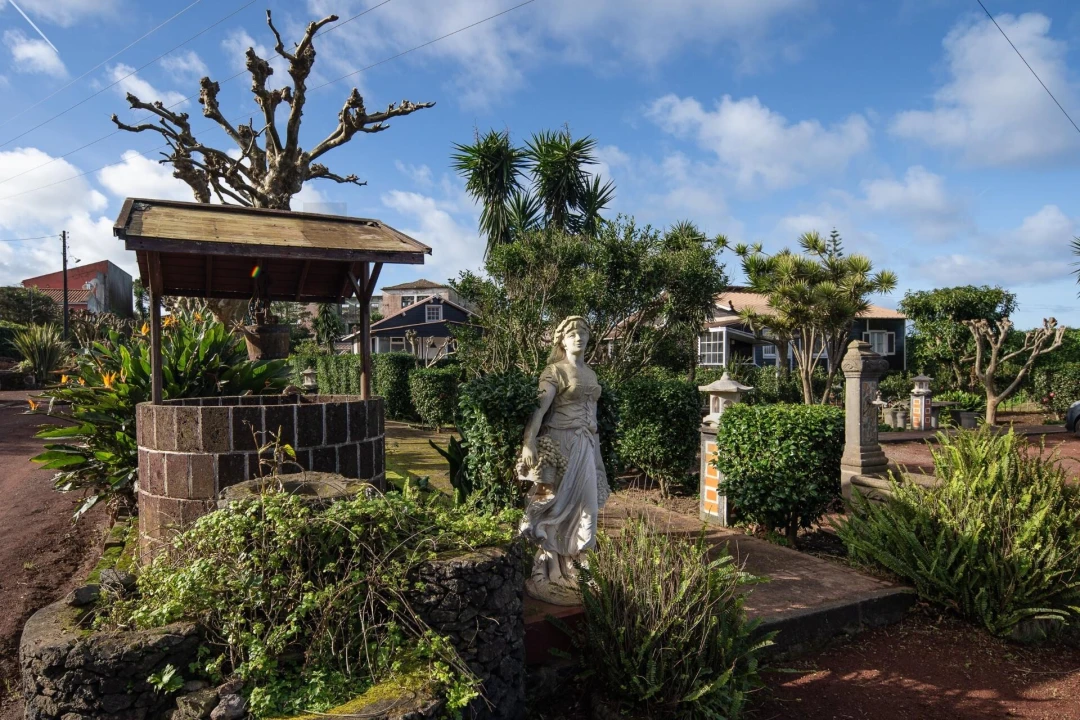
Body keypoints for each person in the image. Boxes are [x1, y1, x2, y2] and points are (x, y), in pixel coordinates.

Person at [518, 316, 610, 605]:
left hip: (587, 444)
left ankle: (581, 569)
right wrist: (529, 443)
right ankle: (550, 568)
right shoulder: (554, 371)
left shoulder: (592, 375)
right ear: (562, 340)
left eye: (583, 332)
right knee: (555, 507)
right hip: (560, 445)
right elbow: (539, 410)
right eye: (572, 334)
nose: (578, 338)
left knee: (589, 508)